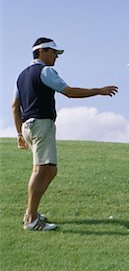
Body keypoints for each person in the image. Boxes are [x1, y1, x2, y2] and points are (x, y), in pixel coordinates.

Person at [12, 37, 118, 231]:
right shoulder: (46, 71)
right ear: (42, 51)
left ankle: (32, 211)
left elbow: (15, 106)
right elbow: (68, 92)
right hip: (41, 124)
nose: (56, 57)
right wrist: (99, 91)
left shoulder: (21, 76)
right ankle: (31, 218)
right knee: (40, 170)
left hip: (28, 126)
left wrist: (20, 133)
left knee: (50, 170)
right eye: (54, 53)